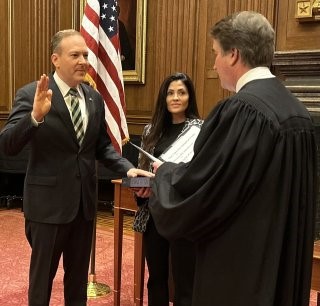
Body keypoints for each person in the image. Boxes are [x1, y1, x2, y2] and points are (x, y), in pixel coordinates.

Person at [141, 11, 317, 306]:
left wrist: (164, 173)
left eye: (215, 54)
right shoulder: (297, 110)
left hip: (241, 268)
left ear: (233, 54)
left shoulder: (241, 111)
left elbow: (204, 189)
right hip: (282, 258)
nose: (214, 64)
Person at [0, 29, 153, 306]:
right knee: (41, 281)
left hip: (83, 206)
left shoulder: (93, 98)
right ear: (56, 59)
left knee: (77, 281)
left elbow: (102, 147)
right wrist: (34, 117)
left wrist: (127, 169)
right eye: (75, 55)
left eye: (85, 54)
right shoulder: (31, 94)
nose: (83, 60)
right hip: (47, 208)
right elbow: (7, 144)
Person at [132, 72, 203, 306]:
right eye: (170, 93)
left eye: (181, 92)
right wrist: (141, 190)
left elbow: (198, 176)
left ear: (189, 97)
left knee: (185, 280)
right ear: (163, 97)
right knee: (156, 278)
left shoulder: (200, 131)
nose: (175, 97)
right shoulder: (150, 131)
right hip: (154, 214)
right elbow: (139, 174)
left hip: (183, 214)